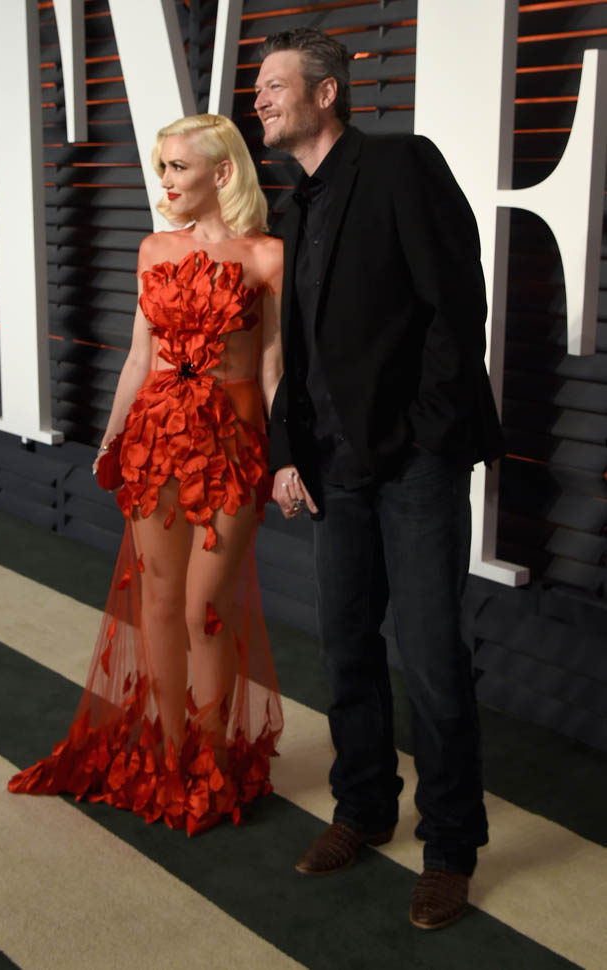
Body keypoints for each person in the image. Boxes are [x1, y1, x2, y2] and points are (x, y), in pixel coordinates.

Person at [254, 29, 504, 928]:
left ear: (326, 93)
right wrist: (288, 451)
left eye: (274, 84)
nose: (259, 98)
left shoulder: (401, 165)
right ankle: (362, 809)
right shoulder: (294, 209)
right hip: (336, 471)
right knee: (347, 648)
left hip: (416, 466)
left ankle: (450, 849)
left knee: (431, 659)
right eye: (257, 86)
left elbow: (456, 306)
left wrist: (426, 438)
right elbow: (297, 352)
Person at [8, 114, 284, 836]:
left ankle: (212, 759)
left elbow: (273, 368)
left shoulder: (267, 257)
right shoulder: (154, 248)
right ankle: (168, 754)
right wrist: (110, 437)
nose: (164, 181)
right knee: (158, 602)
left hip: (232, 445)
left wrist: (286, 456)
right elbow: (140, 357)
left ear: (222, 173)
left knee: (204, 608)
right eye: (162, 166)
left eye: (177, 167)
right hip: (155, 437)